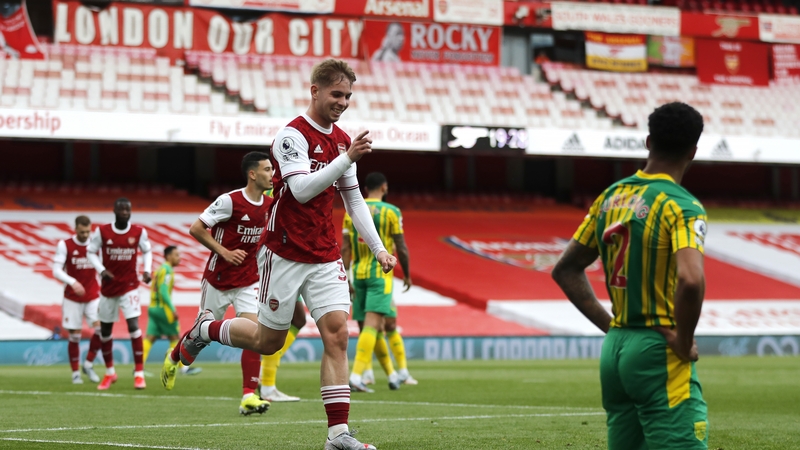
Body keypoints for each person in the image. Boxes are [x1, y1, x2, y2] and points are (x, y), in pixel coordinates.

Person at [175, 59, 395, 450]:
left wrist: (377, 248)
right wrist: (347, 159)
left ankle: (338, 435)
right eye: (336, 94)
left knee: (338, 334)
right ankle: (204, 329)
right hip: (285, 252)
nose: (342, 102)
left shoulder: (343, 140)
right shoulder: (291, 136)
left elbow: (354, 199)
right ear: (315, 91)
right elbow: (302, 190)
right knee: (268, 341)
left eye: (347, 95)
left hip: (325, 253)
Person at [551, 102, 709, 450]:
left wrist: (613, 328)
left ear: (648, 142)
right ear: (693, 151)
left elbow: (565, 269)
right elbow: (691, 279)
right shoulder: (681, 205)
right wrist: (683, 340)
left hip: (616, 350)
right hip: (657, 347)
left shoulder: (610, 197)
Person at [160, 152, 273, 416]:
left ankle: (248, 395)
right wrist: (223, 251)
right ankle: (174, 358)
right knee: (200, 338)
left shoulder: (270, 205)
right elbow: (196, 228)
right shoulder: (229, 201)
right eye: (267, 170)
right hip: (218, 280)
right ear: (252, 174)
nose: (272, 175)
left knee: (255, 335)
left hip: (248, 280)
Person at [342, 172, 415, 392]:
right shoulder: (392, 212)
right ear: (384, 187)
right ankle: (356, 376)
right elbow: (400, 246)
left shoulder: (351, 211)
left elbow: (345, 248)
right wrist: (408, 274)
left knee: (367, 328)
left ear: (365, 189)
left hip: (358, 274)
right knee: (374, 327)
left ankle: (392, 374)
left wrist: (346, 276)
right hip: (380, 274)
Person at [86, 198, 153, 390]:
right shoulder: (102, 232)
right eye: (122, 209)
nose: (125, 212)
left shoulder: (138, 232)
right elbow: (91, 252)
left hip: (130, 286)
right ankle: (110, 373)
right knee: (105, 331)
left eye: (128, 209)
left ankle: (139, 374)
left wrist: (147, 270)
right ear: (114, 211)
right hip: (108, 289)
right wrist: (101, 270)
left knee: (133, 325)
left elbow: (147, 251)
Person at [52, 215, 103, 384]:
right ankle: (75, 373)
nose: (85, 235)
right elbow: (56, 270)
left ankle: (88, 364)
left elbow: (102, 267)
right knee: (74, 335)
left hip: (93, 295)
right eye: (82, 232)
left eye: (88, 231)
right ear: (75, 229)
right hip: (72, 298)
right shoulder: (65, 245)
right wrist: (72, 282)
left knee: (101, 330)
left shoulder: (95, 244)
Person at [143, 246, 201, 376]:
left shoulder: (160, 269)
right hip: (163, 309)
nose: (178, 258)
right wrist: (172, 309)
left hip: (153, 307)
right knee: (175, 337)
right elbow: (164, 291)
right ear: (168, 256)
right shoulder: (167, 270)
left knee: (150, 338)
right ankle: (183, 367)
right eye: (176, 255)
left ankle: (139, 369)